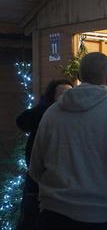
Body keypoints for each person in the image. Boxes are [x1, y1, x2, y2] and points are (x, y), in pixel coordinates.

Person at [29, 52, 107, 230]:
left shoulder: (53, 112)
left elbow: (35, 166)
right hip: (98, 216)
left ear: (79, 76)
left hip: (52, 214)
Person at [16, 79, 73, 230]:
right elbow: (21, 121)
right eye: (62, 94)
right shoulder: (44, 112)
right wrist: (46, 108)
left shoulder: (73, 116)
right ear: (52, 97)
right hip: (37, 179)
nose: (66, 98)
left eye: (69, 93)